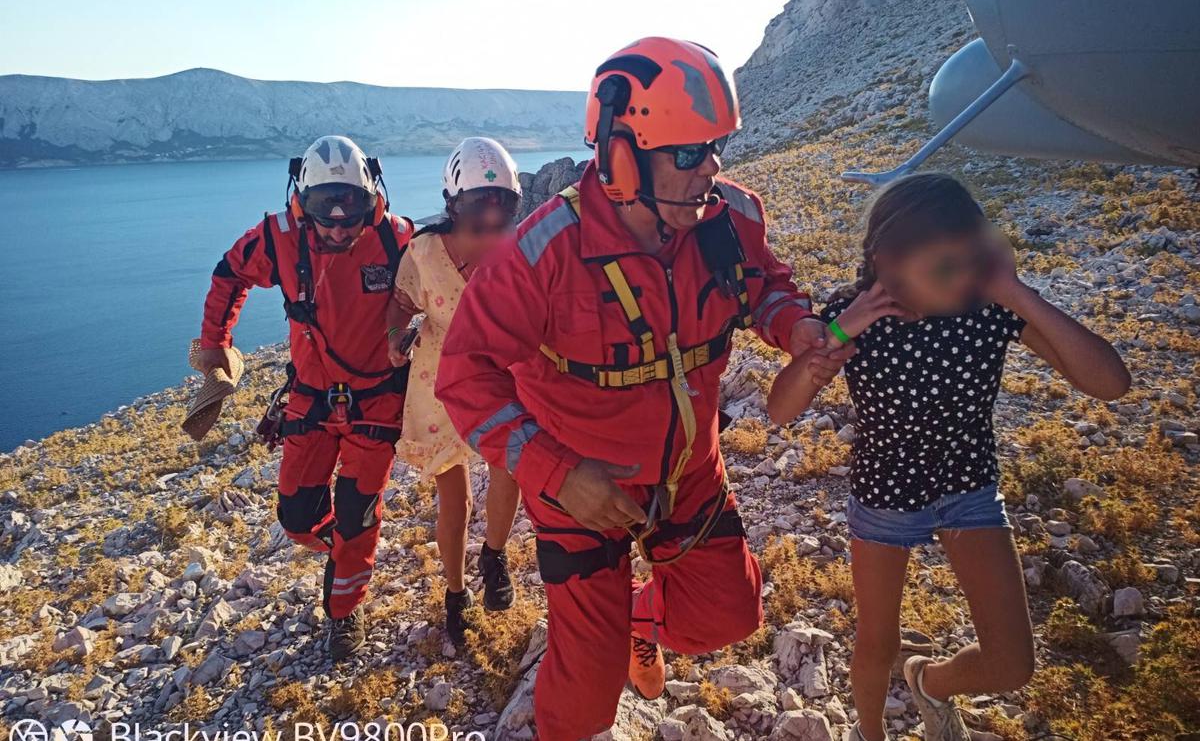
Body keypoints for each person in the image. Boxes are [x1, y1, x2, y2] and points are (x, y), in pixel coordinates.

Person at [435, 37, 854, 739]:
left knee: (729, 614)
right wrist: (559, 476)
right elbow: (464, 376)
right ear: (623, 155)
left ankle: (637, 617)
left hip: (689, 473)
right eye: (689, 153)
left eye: (714, 147)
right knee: (585, 690)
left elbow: (766, 289)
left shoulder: (731, 220)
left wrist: (796, 328)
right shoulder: (541, 255)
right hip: (578, 495)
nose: (711, 168)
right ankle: (602, 644)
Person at [767, 173, 1130, 741]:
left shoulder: (986, 307)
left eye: (973, 261)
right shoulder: (855, 314)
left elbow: (1110, 384)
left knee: (1014, 663)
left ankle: (929, 682)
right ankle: (869, 734)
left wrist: (1015, 292)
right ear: (886, 261)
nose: (962, 279)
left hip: (968, 488)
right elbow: (781, 410)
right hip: (884, 497)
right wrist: (839, 331)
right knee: (876, 642)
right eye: (944, 267)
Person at [197, 135, 413, 662]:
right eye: (326, 213)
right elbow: (229, 274)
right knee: (295, 518)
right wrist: (216, 345)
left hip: (378, 404)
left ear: (370, 196)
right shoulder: (278, 239)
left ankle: (345, 610)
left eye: (351, 212)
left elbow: (450, 287)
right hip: (311, 402)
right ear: (304, 199)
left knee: (359, 514)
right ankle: (345, 552)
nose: (339, 225)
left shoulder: (397, 239)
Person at [385, 137, 522, 647]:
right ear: (452, 207)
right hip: (438, 379)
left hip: (500, 369)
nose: (489, 229)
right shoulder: (421, 253)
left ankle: (495, 555)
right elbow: (399, 305)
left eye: (500, 216)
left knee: (510, 465)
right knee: (455, 497)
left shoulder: (518, 247)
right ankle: (455, 594)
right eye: (476, 217)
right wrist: (395, 340)